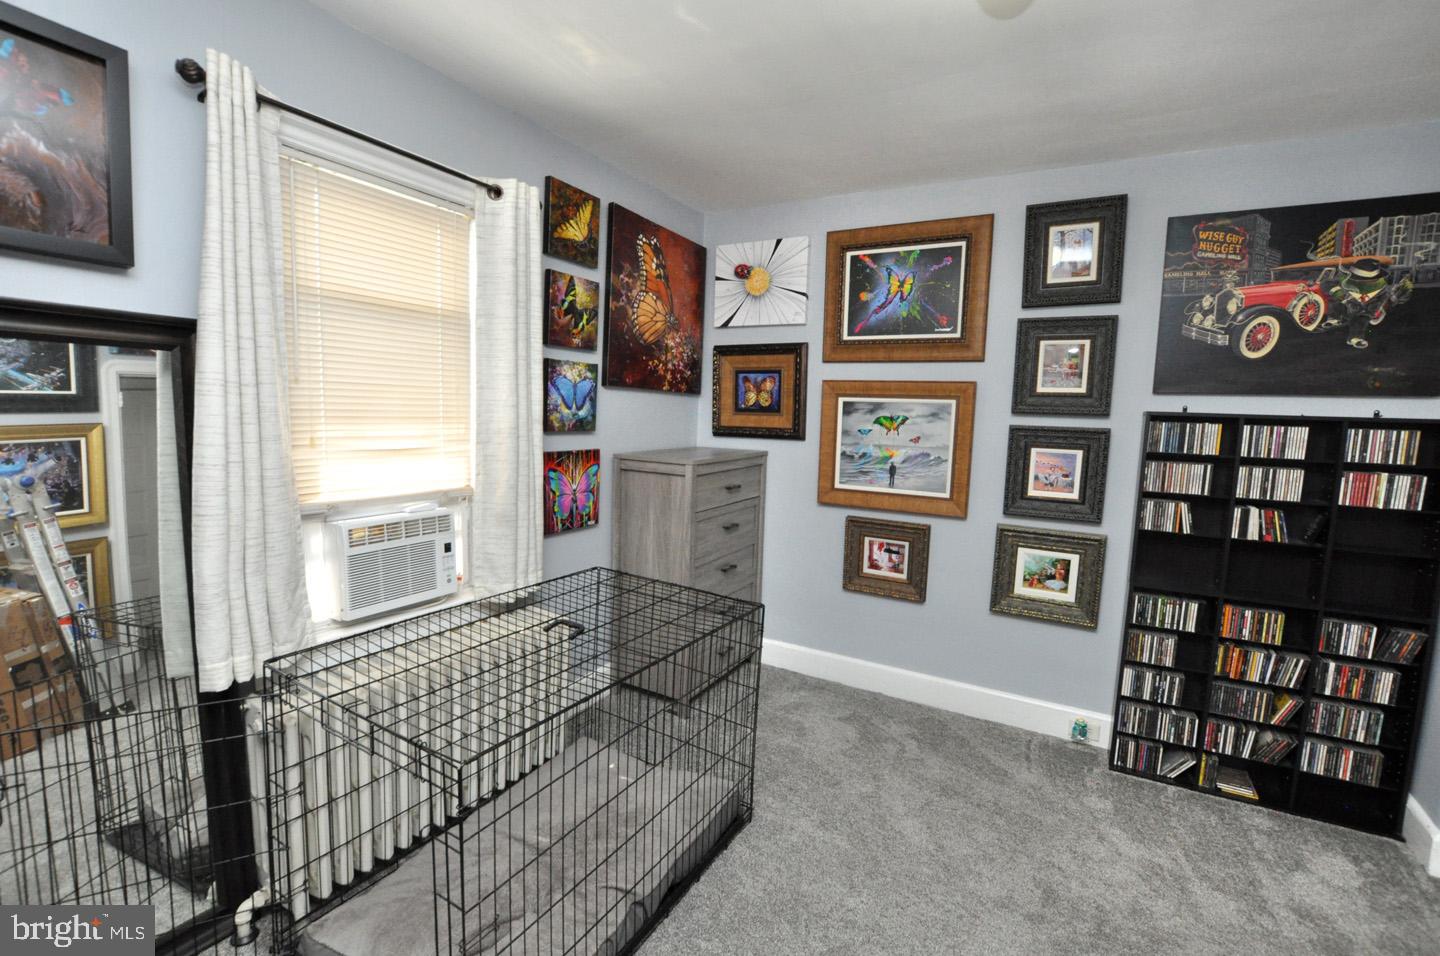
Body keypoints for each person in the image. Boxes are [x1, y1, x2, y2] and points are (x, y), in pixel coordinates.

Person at [1324, 258, 1415, 350]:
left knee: (1361, 320)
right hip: (1346, 303)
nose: (1367, 282)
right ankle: (1333, 318)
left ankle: (1355, 338)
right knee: (1338, 304)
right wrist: (1342, 297)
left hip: (1362, 309)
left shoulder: (1382, 288)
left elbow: (1381, 300)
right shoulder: (1344, 281)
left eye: (1370, 280)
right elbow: (1327, 285)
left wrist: (1393, 298)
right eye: (1364, 279)